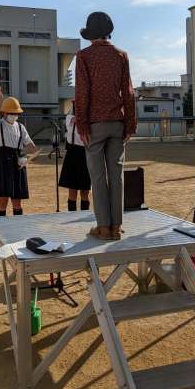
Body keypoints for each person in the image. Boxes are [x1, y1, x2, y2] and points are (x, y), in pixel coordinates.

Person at [75, 12, 136, 241]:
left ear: (91, 34)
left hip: (94, 125)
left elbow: (82, 93)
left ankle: (103, 228)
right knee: (116, 175)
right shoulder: (121, 55)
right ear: (108, 32)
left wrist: (82, 125)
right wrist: (130, 125)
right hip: (117, 123)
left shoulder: (84, 56)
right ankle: (116, 227)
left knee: (98, 178)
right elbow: (128, 92)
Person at [0, 86, 38, 216]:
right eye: (11, 113)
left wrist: (33, 153)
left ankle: (17, 225)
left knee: (17, 201)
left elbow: (30, 144)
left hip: (18, 162)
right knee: (2, 200)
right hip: (3, 162)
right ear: (4, 113)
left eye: (16, 113)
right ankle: (0, 226)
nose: (14, 115)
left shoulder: (21, 127)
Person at [58, 101, 91, 211]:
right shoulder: (69, 118)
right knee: (72, 190)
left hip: (86, 153)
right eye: (77, 105)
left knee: (85, 191)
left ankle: (84, 213)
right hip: (73, 153)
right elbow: (76, 120)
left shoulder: (90, 119)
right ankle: (71, 214)